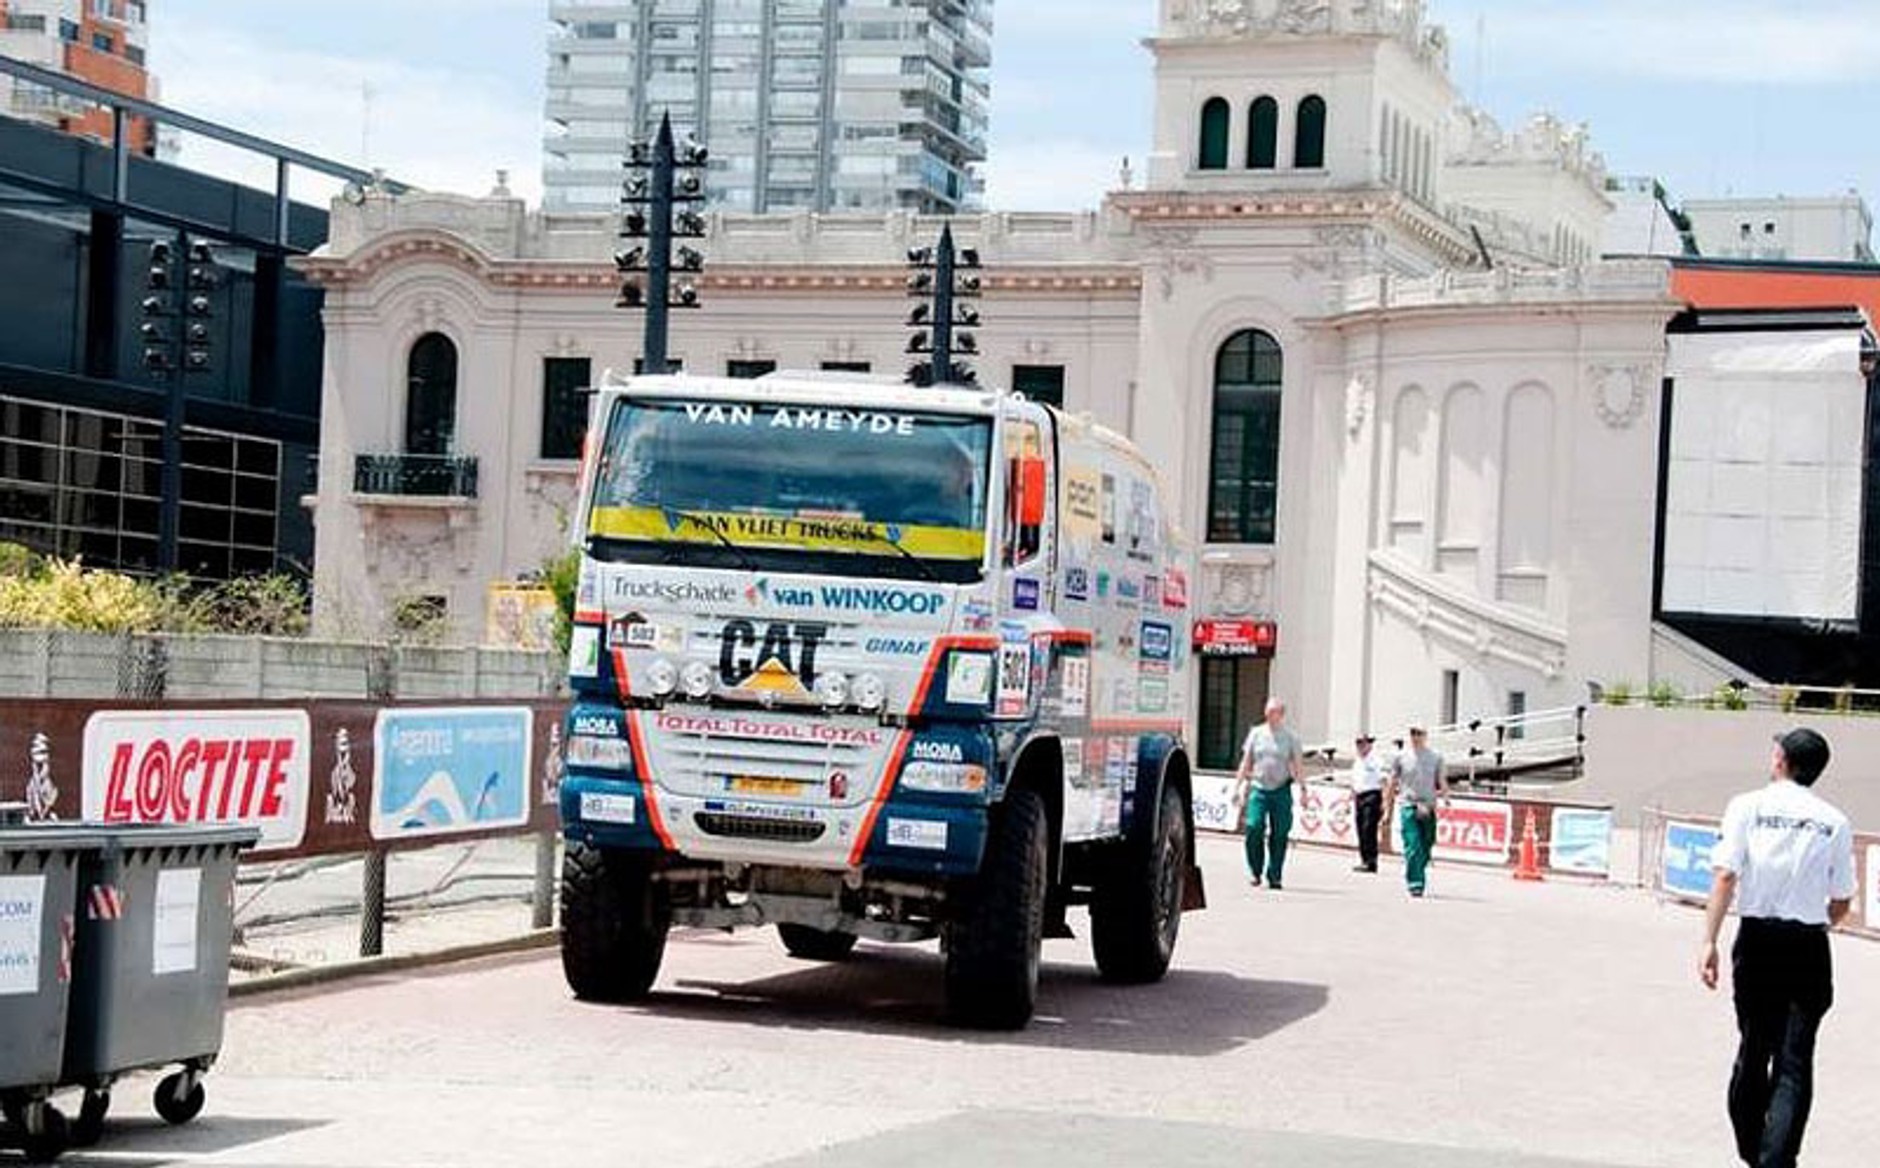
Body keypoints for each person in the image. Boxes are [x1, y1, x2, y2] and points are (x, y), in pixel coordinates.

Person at [1700, 728, 1856, 1168]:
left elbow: (1725, 875)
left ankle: (1754, 1150)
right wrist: (1817, 924)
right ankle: (1777, 1159)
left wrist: (1709, 940)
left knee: (1754, 1050)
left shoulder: (1746, 806)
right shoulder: (1835, 821)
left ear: (1780, 760)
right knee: (1794, 1062)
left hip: (1758, 939)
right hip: (1807, 943)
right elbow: (1842, 899)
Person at [1235, 698, 1303, 890]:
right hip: (1259, 787)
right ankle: (1255, 870)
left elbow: (1298, 764)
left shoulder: (1291, 737)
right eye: (1268, 711)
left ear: (1281, 714)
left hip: (1281, 789)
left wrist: (1303, 789)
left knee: (1280, 832)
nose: (1270, 715)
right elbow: (1246, 761)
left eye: (1274, 712)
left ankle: (1275, 875)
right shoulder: (1256, 734)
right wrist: (1237, 786)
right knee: (1254, 826)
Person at [1385, 725, 1447, 897]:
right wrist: (1387, 807)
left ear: (1425, 736)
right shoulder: (1401, 757)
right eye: (1413, 733)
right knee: (1413, 844)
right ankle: (1415, 882)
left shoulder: (1436, 757)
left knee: (1427, 842)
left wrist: (1446, 796)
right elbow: (1392, 782)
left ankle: (1419, 865)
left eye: (1419, 733)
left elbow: (1441, 779)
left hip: (1428, 805)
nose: (1415, 737)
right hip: (1409, 804)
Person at [1347, 734, 1389, 873]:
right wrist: (1349, 800)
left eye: (1363, 743)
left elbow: (1384, 781)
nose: (1360, 746)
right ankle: (1364, 859)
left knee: (1368, 829)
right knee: (1360, 828)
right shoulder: (1357, 762)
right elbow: (1354, 782)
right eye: (1358, 743)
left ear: (1369, 745)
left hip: (1372, 795)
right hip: (1359, 796)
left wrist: (1384, 802)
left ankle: (1371, 861)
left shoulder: (1376, 760)